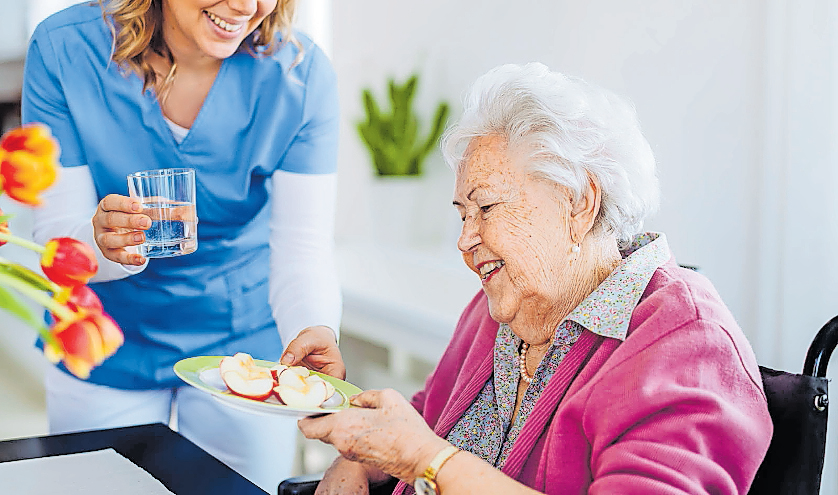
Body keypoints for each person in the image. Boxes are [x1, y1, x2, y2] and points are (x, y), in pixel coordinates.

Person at [297, 63, 773, 495]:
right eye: (463, 215)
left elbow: (425, 447)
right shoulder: (506, 304)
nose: (466, 240)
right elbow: (429, 417)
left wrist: (428, 460)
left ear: (579, 203)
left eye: (486, 208)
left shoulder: (687, 341)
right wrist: (357, 459)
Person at [21, 0, 345, 491]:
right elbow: (59, 236)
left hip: (241, 349)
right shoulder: (65, 49)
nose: (244, 6)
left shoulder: (300, 76)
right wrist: (102, 242)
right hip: (106, 339)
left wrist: (313, 327)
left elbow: (303, 248)